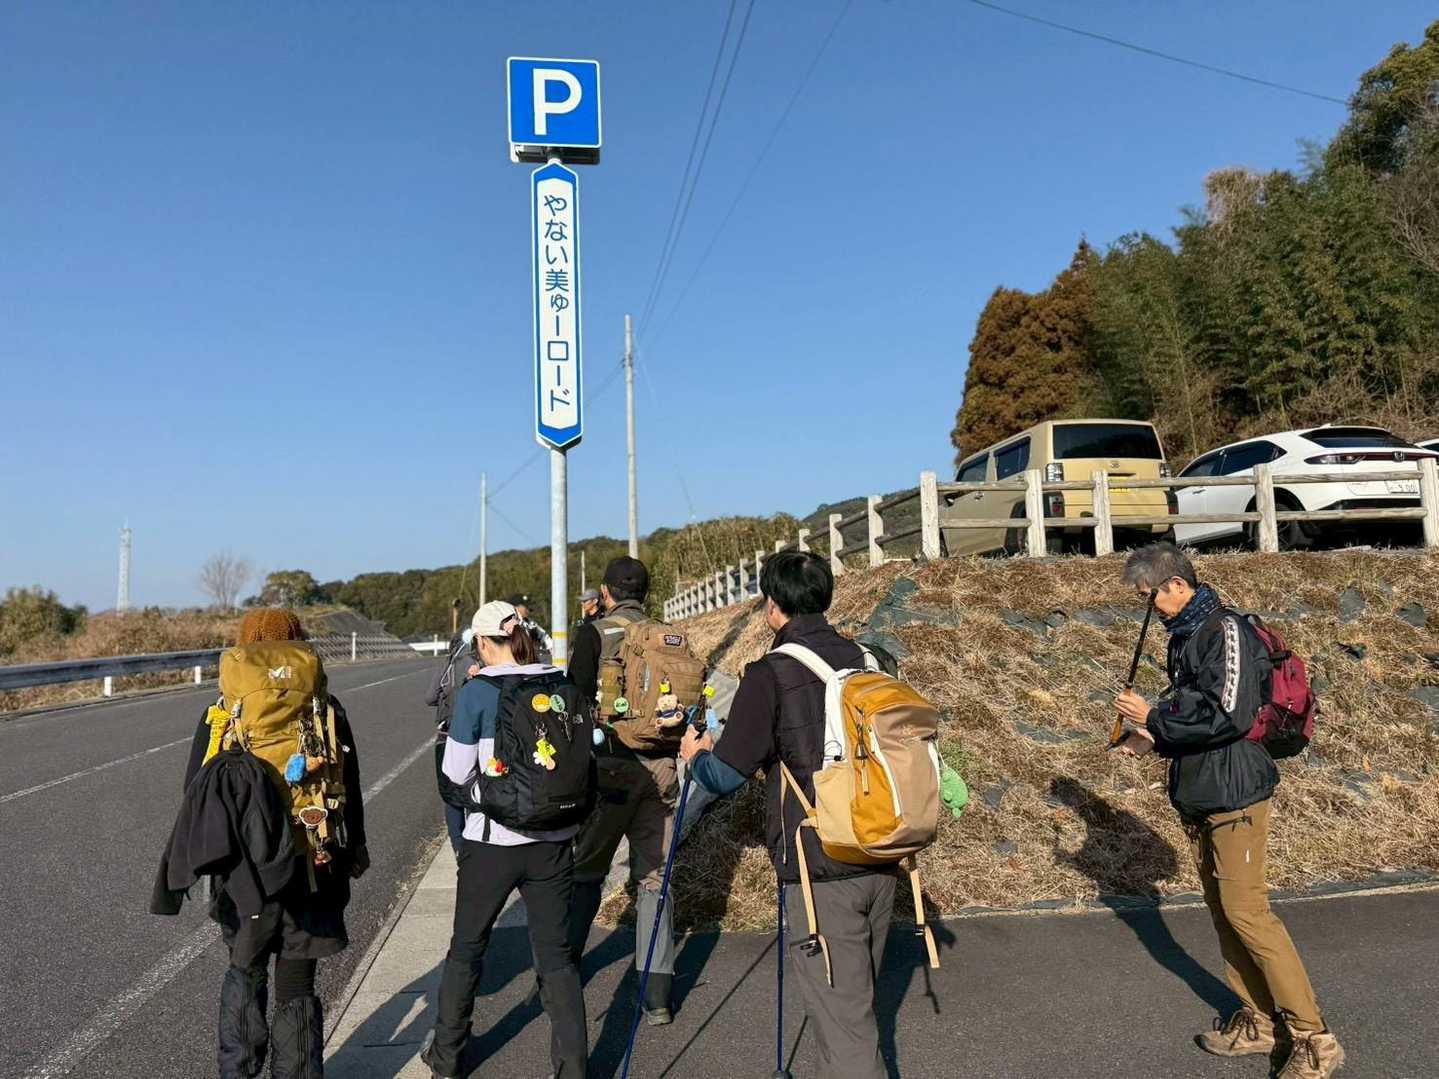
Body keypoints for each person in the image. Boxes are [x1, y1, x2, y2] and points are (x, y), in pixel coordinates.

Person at [1113, 543, 1344, 1079]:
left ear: (1176, 584)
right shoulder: (1186, 635)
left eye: (1149, 596)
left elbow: (1230, 715)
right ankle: (1259, 1022)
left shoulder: (1226, 630)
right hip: (1202, 791)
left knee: (1249, 914)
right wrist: (1152, 737)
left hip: (1237, 792)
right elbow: (1193, 711)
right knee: (1224, 914)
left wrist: (1154, 715)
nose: (1149, 606)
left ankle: (1314, 1039)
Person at [679, 551, 894, 1079]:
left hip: (820, 865)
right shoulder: (872, 660)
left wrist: (696, 757)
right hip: (884, 850)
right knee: (850, 1011)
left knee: (846, 1029)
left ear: (772, 606)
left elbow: (725, 775)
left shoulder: (770, 673)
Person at [158, 608, 368, 1079]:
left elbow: (196, 789)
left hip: (245, 871)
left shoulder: (222, 712)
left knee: (245, 968)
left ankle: (238, 1070)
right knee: (297, 982)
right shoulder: (326, 708)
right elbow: (348, 788)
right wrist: (355, 849)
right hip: (312, 861)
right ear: (300, 643)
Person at [422, 601, 587, 1079]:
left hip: (492, 842)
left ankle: (448, 1057)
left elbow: (455, 775)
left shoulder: (478, 692)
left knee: (467, 948)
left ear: (481, 642)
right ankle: (573, 1068)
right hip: (555, 839)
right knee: (557, 958)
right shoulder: (560, 681)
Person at [565, 555, 680, 1024]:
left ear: (606, 594)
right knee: (654, 879)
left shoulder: (594, 633)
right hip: (662, 768)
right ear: (646, 594)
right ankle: (657, 997)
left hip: (609, 766)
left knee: (585, 871)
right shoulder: (668, 635)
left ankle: (563, 968)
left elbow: (571, 702)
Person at [425, 627, 478, 853]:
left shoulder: (448, 665)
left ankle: (458, 847)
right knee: (475, 791)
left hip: (447, 736)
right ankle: (476, 843)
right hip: (475, 736)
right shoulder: (480, 663)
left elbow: (429, 697)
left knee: (451, 794)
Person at [511, 594, 555, 662]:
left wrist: (554, 650)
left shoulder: (530, 623)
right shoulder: (509, 623)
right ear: (516, 608)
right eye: (526, 607)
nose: (529, 610)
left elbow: (544, 637)